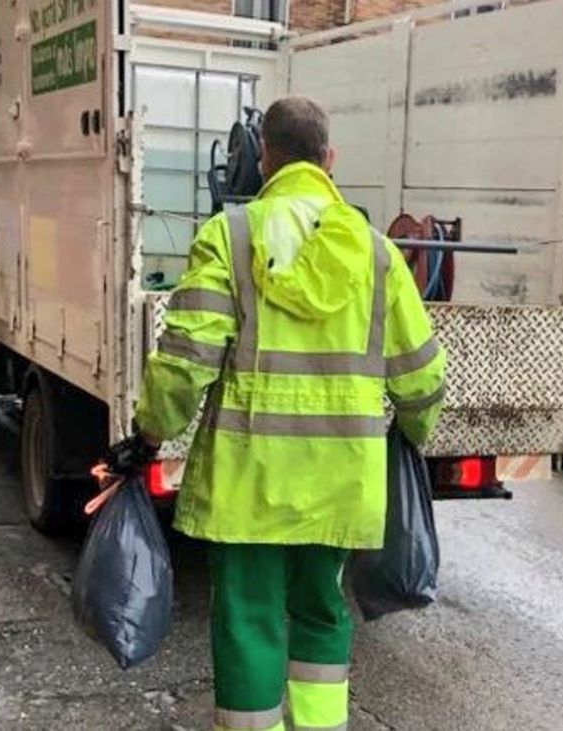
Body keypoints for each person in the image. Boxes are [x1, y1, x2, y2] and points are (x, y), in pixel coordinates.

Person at [132, 96, 447, 731]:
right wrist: (415, 432)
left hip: (249, 488)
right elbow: (422, 375)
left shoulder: (229, 236)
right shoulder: (378, 254)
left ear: (266, 157)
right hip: (339, 487)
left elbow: (186, 360)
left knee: (248, 621)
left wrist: (148, 432)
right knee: (323, 612)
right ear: (329, 159)